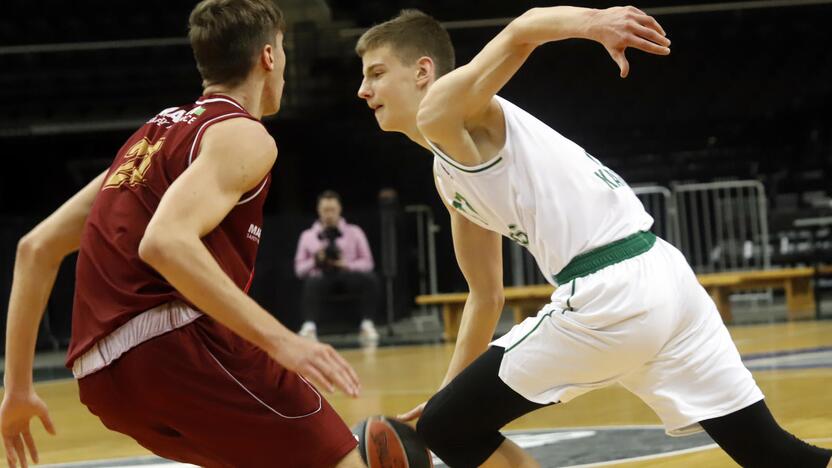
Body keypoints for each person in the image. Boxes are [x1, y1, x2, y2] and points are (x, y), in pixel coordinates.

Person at [356, 6, 832, 468]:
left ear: (423, 70)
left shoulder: (442, 108)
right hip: (667, 279)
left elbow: (524, 27)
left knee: (446, 428)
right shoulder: (449, 174)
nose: (363, 90)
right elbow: (485, 294)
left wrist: (595, 22)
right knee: (776, 455)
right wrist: (447, 394)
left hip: (612, 293)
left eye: (376, 73)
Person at [0, 1, 364, 467]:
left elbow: (35, 249)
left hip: (101, 379)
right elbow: (165, 242)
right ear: (269, 56)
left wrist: (18, 389)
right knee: (341, 460)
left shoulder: (147, 140)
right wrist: (282, 341)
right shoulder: (241, 133)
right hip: (172, 349)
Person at [294, 190, 380, 343]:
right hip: (321, 278)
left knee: (370, 279)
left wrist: (346, 264)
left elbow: (368, 263)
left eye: (332, 210)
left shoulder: (355, 232)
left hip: (348, 275)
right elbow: (299, 270)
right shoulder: (307, 236)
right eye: (325, 210)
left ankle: (367, 324)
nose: (329, 214)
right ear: (318, 210)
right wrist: (315, 260)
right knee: (311, 282)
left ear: (339, 209)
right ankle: (309, 326)